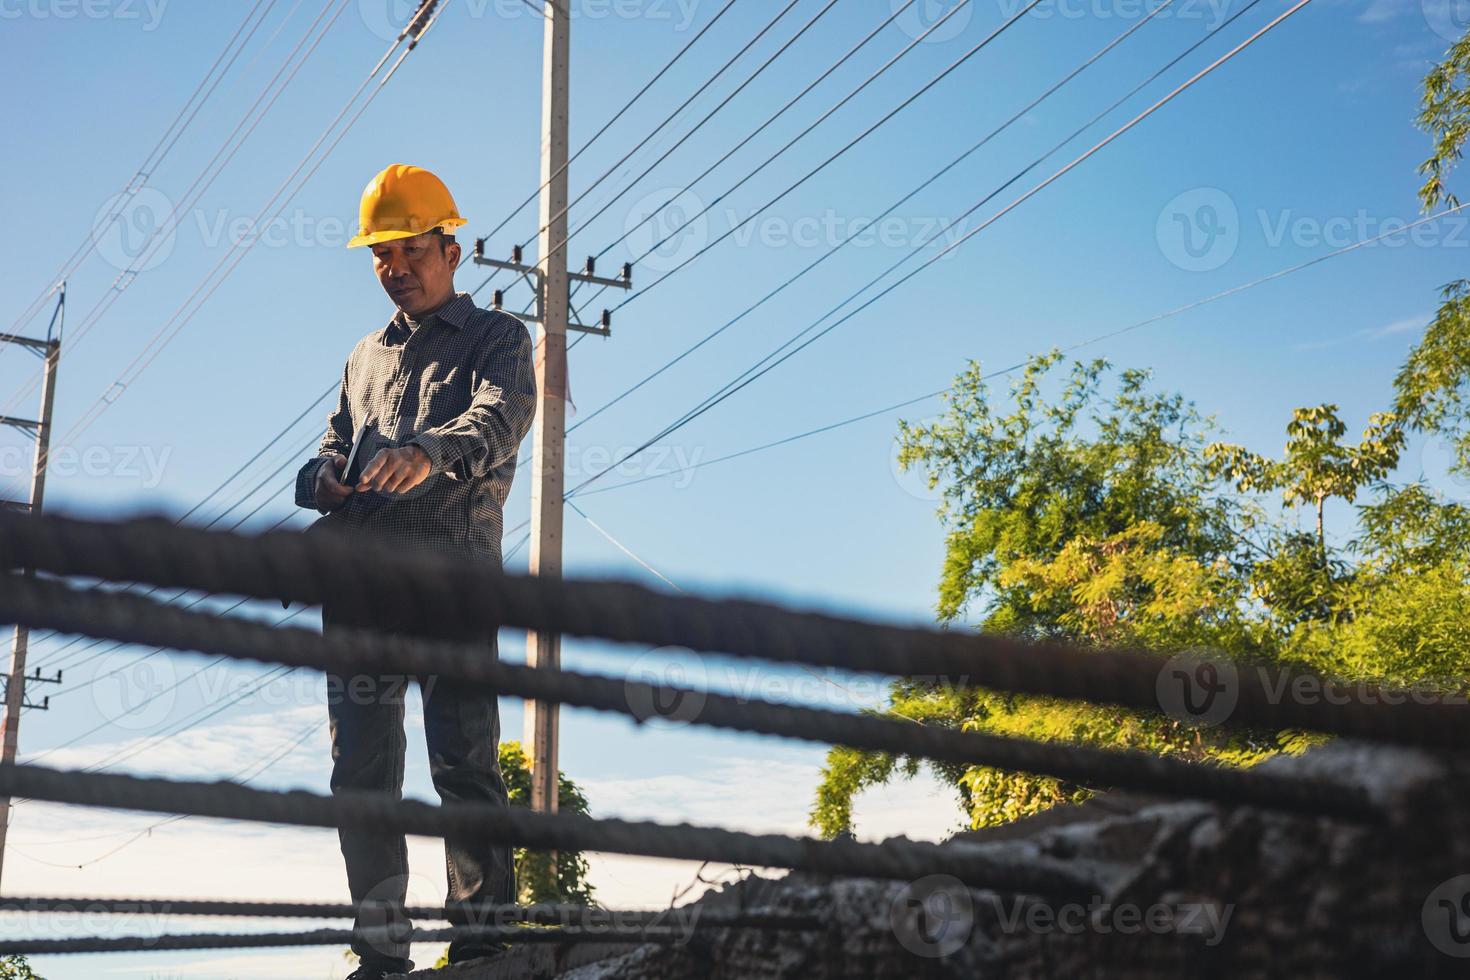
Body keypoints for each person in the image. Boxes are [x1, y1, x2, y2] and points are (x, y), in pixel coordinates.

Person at [294, 163, 536, 978]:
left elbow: (497, 419)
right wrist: (321, 479)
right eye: (380, 256)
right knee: (361, 776)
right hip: (360, 594)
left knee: (464, 764)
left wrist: (427, 455)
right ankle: (380, 953)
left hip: (452, 582)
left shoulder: (499, 339)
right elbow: (332, 440)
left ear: (452, 249)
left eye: (410, 251)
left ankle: (482, 943)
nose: (395, 268)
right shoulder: (364, 356)